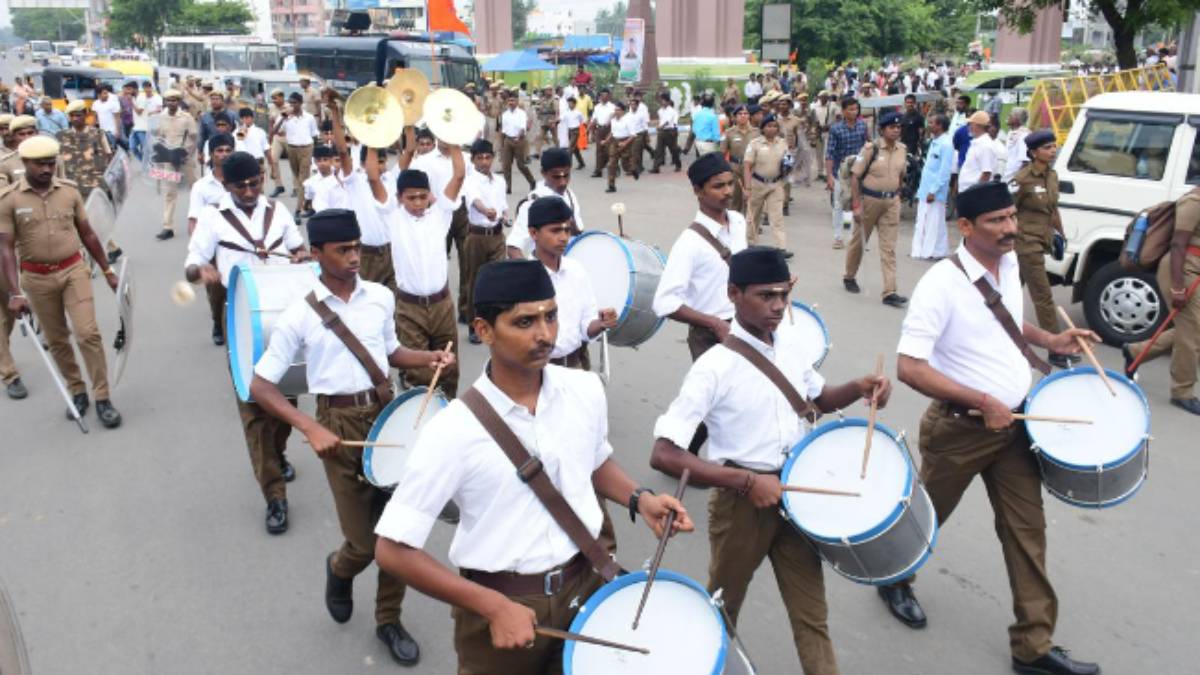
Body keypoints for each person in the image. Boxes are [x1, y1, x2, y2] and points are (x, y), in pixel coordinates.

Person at [373, 258, 693, 675]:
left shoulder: (585, 389)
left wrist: (640, 498)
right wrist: (491, 606)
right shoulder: (451, 431)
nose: (545, 334)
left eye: (551, 316)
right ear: (484, 329)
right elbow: (392, 549)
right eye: (524, 322)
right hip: (502, 602)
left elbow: (593, 460)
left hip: (586, 583)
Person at [877, 181, 1102, 675]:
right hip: (960, 431)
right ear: (965, 226)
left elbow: (1006, 321)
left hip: (1016, 429)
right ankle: (894, 577)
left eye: (1011, 217)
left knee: (1027, 532)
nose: (1010, 228)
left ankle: (1033, 647)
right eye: (997, 221)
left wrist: (1050, 340)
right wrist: (982, 400)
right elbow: (909, 367)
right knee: (924, 519)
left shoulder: (1010, 261)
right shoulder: (940, 285)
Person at [651, 245, 893, 675]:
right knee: (722, 608)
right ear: (734, 294)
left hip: (796, 496)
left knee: (812, 615)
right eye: (765, 295)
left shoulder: (793, 344)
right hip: (741, 506)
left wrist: (859, 386)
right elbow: (664, 453)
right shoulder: (713, 367)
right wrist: (745, 482)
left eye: (784, 294)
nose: (778, 306)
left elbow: (818, 401)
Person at [249, 209, 454, 667]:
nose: (355, 256)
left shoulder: (379, 296)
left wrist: (429, 357)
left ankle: (388, 620)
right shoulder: (299, 315)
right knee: (363, 542)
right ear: (317, 253)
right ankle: (340, 569)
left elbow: (391, 352)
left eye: (357, 247)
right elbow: (261, 385)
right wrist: (309, 426)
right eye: (343, 249)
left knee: (399, 535)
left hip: (389, 416)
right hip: (338, 427)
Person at [184, 151, 307, 534]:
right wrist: (200, 271)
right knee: (254, 407)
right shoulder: (213, 217)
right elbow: (192, 263)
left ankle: (279, 452)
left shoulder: (278, 211)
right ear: (226, 185)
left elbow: (298, 247)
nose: (251, 191)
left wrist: (300, 256)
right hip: (240, 317)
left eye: (256, 183)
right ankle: (274, 495)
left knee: (287, 399)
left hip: (284, 313)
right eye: (242, 186)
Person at [0, 136, 123, 428]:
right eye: (39, 164)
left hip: (73, 271)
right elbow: (5, 248)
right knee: (57, 340)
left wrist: (107, 271)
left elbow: (88, 233)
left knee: (87, 333)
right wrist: (15, 293)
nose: (47, 169)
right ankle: (77, 391)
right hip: (36, 279)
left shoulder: (69, 192)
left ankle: (102, 396)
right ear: (25, 163)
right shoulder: (10, 199)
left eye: (50, 163)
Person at [368, 139, 464, 398]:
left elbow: (459, 175)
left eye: (423, 196)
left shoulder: (441, 214)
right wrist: (372, 138)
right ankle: (420, 414)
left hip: (442, 305)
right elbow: (374, 178)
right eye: (411, 198)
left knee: (448, 369)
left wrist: (455, 140)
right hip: (409, 308)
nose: (418, 202)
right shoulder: (392, 217)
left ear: (430, 195)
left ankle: (448, 412)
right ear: (399, 198)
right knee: (420, 374)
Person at [654, 153, 749, 364]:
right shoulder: (689, 243)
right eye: (718, 186)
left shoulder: (738, 221)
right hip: (711, 337)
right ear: (698, 191)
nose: (728, 191)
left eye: (730, 183)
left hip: (746, 326)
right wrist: (714, 323)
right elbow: (663, 302)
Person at [1124, 186, 1200, 415]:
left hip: (1195, 270)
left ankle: (1136, 351)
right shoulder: (1194, 201)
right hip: (1183, 271)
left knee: (1192, 329)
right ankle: (1182, 392)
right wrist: (1177, 287)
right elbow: (1178, 244)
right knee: (1191, 334)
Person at [1010, 130, 1076, 369]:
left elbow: (1053, 209)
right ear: (1033, 152)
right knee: (1043, 296)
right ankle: (1056, 349)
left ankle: (994, 335)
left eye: (1054, 146)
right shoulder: (1022, 179)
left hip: (1041, 240)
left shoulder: (1052, 175)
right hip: (1025, 243)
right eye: (1047, 147)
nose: (1053, 150)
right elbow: (1008, 210)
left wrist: (1061, 234)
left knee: (1008, 293)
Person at [525, 196, 616, 368]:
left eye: (567, 230)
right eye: (555, 231)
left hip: (575, 365)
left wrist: (601, 324)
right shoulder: (522, 277)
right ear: (534, 233)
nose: (563, 237)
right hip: (537, 370)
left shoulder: (576, 270)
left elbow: (587, 326)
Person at [844, 111, 908, 308]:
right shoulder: (870, 149)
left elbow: (901, 175)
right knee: (859, 242)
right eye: (891, 127)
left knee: (889, 248)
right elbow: (855, 176)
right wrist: (856, 205)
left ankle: (890, 291)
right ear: (882, 130)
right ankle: (849, 276)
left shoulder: (902, 149)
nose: (896, 130)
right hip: (869, 201)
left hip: (891, 202)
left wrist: (898, 194)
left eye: (898, 127)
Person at [185, 132, 236, 345]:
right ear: (211, 154)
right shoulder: (202, 186)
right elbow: (193, 221)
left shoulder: (241, 180)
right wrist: (199, 252)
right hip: (214, 247)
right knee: (217, 291)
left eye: (228, 150)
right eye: (219, 151)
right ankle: (217, 321)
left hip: (239, 244)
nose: (223, 154)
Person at [461, 139, 508, 344]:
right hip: (477, 237)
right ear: (473, 160)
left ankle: (495, 322)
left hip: (497, 236)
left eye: (488, 157)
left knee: (498, 280)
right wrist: (485, 211)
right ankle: (474, 325)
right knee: (475, 282)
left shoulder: (500, 181)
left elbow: (503, 205)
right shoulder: (470, 180)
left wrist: (505, 215)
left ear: (493, 158)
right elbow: (475, 201)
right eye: (479, 158)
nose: (484, 162)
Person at [506, 149, 586, 259]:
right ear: (543, 173)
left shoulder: (569, 194)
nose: (563, 182)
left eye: (566, 175)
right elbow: (513, 248)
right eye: (556, 177)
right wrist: (531, 269)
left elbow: (579, 235)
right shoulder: (532, 204)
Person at [153, 90, 198, 242]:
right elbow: (159, 138)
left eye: (174, 100)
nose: (171, 103)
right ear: (165, 102)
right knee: (169, 193)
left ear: (178, 102)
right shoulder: (161, 117)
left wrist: (188, 154)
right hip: (168, 160)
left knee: (196, 190)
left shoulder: (187, 117)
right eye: (169, 100)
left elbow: (194, 137)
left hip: (185, 158)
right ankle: (168, 227)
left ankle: (201, 221)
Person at [825, 96, 868, 249]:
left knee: (855, 204)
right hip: (840, 172)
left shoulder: (862, 126)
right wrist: (829, 176)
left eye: (856, 109)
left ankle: (852, 237)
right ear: (843, 111)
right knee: (839, 204)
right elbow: (830, 154)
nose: (854, 112)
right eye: (850, 109)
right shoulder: (836, 129)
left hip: (859, 171)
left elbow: (867, 147)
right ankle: (838, 237)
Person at [744, 115, 789, 253]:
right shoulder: (754, 144)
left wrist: (788, 168)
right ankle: (751, 244)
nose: (772, 129)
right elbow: (747, 166)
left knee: (777, 217)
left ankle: (780, 247)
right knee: (753, 216)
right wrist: (747, 187)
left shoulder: (782, 143)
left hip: (776, 184)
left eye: (775, 126)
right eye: (769, 126)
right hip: (757, 183)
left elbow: (787, 161)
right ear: (763, 128)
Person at [911, 113, 953, 260]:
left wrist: (933, 191)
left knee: (934, 222)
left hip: (935, 191)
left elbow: (944, 172)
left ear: (940, 126)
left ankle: (933, 251)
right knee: (923, 220)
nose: (929, 125)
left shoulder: (946, 144)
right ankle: (925, 250)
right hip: (925, 188)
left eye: (932, 123)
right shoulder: (934, 142)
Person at [271, 92, 318, 199]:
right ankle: (303, 193)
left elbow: (314, 134)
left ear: (301, 103)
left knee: (303, 175)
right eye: (290, 103)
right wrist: (283, 117)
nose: (292, 105)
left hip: (306, 147)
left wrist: (313, 152)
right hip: (291, 147)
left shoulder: (309, 117)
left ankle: (302, 199)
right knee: (296, 173)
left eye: (294, 103)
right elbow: (275, 131)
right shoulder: (285, 116)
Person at [721, 105, 758, 214]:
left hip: (752, 170)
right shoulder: (729, 133)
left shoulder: (757, 132)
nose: (743, 116)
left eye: (745, 113)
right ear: (735, 117)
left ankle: (750, 220)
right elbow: (722, 153)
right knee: (735, 199)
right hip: (735, 169)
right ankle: (734, 220)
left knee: (751, 199)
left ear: (749, 116)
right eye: (740, 114)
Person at [499, 93, 536, 195]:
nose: (511, 103)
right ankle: (508, 186)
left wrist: (518, 138)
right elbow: (503, 130)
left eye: (513, 100)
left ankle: (532, 181)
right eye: (509, 101)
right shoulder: (505, 114)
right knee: (506, 165)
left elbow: (523, 128)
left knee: (521, 165)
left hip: (519, 140)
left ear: (517, 102)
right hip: (508, 140)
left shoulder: (521, 113)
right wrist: (502, 144)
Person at [198, 90, 237, 176]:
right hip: (211, 148)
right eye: (212, 99)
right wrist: (200, 152)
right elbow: (202, 135)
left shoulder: (231, 115)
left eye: (217, 99)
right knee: (210, 173)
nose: (214, 101)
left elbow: (236, 131)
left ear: (222, 101)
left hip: (227, 148)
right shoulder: (205, 117)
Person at [603, 102, 637, 194]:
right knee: (611, 164)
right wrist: (606, 140)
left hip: (626, 141)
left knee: (625, 165)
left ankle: (633, 170)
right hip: (615, 142)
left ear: (623, 111)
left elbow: (633, 135)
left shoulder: (628, 120)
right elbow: (612, 132)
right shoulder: (613, 120)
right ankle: (611, 185)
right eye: (615, 110)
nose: (616, 112)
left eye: (618, 110)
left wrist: (625, 143)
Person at [586, 88, 615, 178]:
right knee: (599, 150)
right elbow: (594, 119)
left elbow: (613, 117)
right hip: (599, 129)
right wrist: (589, 129)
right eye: (602, 95)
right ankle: (598, 170)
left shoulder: (612, 107)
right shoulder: (597, 107)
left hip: (609, 129)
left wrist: (609, 122)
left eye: (606, 95)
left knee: (607, 150)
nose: (604, 97)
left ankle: (606, 165)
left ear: (609, 96)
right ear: (600, 96)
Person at [265, 88, 289, 197]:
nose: (274, 101)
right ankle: (278, 186)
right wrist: (270, 139)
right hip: (277, 137)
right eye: (272, 99)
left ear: (282, 97)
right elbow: (271, 123)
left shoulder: (289, 107)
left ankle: (296, 187)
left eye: (276, 98)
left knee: (293, 163)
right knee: (273, 160)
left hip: (289, 136)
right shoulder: (272, 108)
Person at [235, 107, 271, 176]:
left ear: (252, 118)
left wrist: (272, 165)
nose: (244, 120)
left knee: (259, 181)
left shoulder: (260, 131)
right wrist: (242, 131)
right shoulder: (235, 132)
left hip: (257, 161)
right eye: (242, 118)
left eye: (247, 118)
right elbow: (238, 140)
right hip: (242, 162)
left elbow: (267, 149)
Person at [651, 92, 682, 173]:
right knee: (658, 150)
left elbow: (668, 121)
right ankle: (656, 167)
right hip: (662, 132)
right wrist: (658, 126)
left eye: (664, 100)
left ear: (668, 101)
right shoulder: (660, 111)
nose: (662, 102)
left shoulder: (672, 111)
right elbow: (661, 120)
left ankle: (678, 164)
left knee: (673, 150)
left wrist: (660, 126)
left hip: (670, 132)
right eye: (661, 100)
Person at [131, 80, 162, 162]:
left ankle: (153, 159)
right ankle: (146, 161)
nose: (147, 91)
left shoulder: (157, 97)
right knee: (143, 145)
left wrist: (149, 113)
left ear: (151, 88)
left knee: (152, 143)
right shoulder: (142, 98)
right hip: (144, 124)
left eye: (148, 88)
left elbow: (159, 109)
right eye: (145, 89)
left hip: (154, 123)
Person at [1003, 108, 1031, 183]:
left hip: (1013, 180)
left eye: (1010, 115)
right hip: (1005, 176)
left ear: (1017, 119)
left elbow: (1025, 162)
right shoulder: (1010, 133)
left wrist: (1015, 180)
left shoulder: (1023, 135)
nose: (1008, 116)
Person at [629, 91, 651, 173]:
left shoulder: (643, 107)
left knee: (637, 150)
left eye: (639, 96)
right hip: (632, 133)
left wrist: (647, 133)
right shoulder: (631, 109)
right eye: (636, 96)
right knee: (637, 150)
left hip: (640, 132)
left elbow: (645, 121)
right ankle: (639, 166)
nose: (637, 98)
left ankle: (637, 167)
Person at [561, 97, 585, 170]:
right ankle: (581, 163)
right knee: (575, 149)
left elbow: (582, 121)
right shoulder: (566, 112)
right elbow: (561, 118)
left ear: (574, 104)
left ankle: (568, 165)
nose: (569, 105)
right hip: (569, 131)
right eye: (568, 103)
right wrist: (554, 121)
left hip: (575, 131)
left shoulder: (578, 113)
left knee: (570, 147)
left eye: (571, 103)